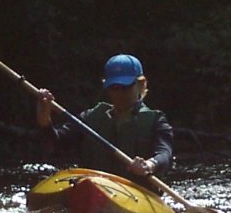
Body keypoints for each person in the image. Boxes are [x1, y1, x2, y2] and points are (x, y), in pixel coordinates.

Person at [36, 54, 174, 194]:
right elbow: (55, 144)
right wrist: (44, 116)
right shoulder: (90, 118)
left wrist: (150, 164)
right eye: (114, 87)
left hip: (136, 194)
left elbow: (164, 154)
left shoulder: (156, 121)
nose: (119, 93)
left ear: (141, 84)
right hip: (93, 190)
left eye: (125, 87)